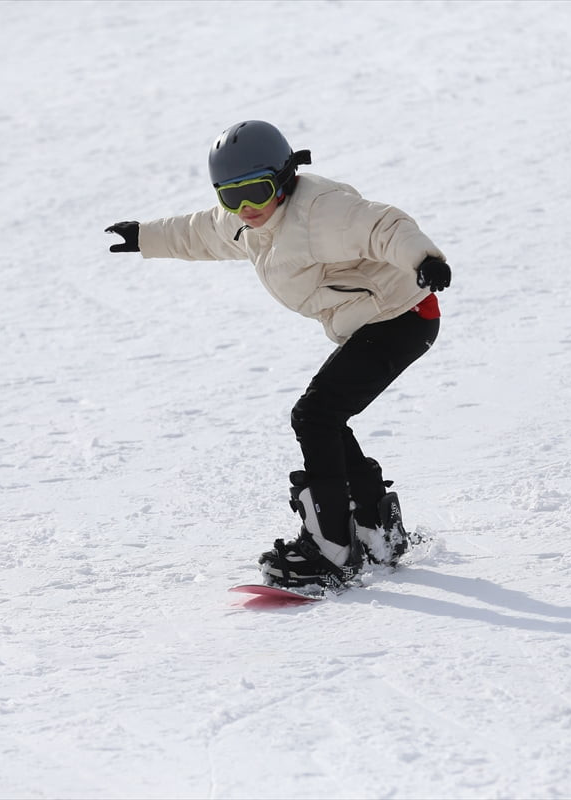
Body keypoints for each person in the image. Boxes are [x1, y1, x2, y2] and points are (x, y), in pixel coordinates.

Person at [106, 120, 451, 590]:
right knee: (324, 415)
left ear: (286, 177)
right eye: (232, 196)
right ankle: (376, 527)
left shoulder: (321, 213)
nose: (246, 208)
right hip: (376, 320)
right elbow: (201, 231)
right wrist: (146, 236)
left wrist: (423, 259)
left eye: (257, 191)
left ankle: (331, 548)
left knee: (316, 415)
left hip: (405, 314)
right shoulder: (249, 223)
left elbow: (384, 226)